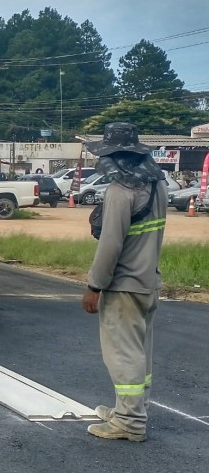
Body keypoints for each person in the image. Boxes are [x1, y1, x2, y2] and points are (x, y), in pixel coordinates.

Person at [82, 122, 167, 442]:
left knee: (123, 354)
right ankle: (130, 408)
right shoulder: (157, 186)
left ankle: (130, 421)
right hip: (148, 281)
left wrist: (94, 286)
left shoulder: (121, 192)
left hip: (123, 286)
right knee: (140, 353)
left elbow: (111, 245)